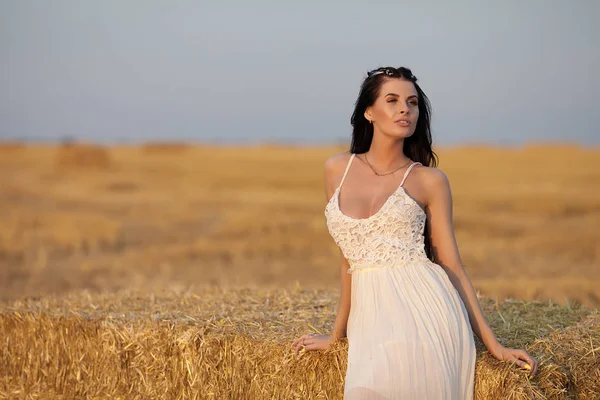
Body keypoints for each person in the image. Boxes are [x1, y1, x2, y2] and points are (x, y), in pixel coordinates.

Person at [292, 66, 538, 399]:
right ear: (369, 112)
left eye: (412, 102)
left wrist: (495, 347)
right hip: (371, 321)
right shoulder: (337, 168)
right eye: (392, 100)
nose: (405, 109)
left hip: (426, 313)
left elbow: (451, 265)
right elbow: (348, 258)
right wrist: (337, 335)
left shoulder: (430, 181)